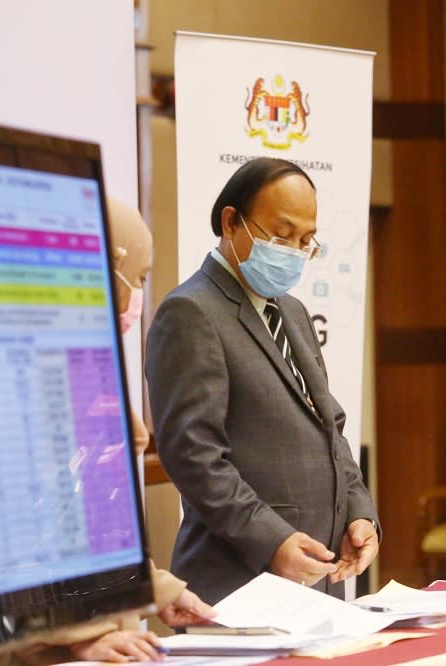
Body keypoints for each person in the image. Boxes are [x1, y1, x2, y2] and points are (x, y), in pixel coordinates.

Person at [145, 157, 379, 604]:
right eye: (281, 235)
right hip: (239, 584)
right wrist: (271, 540)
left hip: (318, 579)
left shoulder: (291, 311)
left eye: (306, 241)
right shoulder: (191, 312)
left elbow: (329, 427)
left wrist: (359, 512)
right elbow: (193, 455)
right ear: (231, 221)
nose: (293, 251)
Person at [6, 198, 216, 665]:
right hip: (45, 648)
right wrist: (83, 632)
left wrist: (156, 587)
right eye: (138, 278)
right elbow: (24, 534)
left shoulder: (83, 356)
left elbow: (98, 524)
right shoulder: (24, 366)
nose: (139, 296)